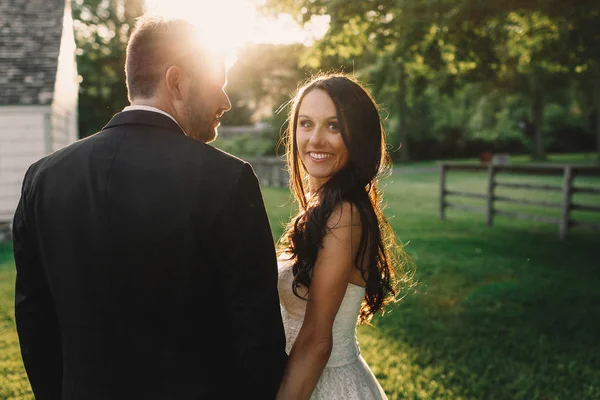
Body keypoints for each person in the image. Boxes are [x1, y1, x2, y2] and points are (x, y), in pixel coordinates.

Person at [13, 16, 286, 400]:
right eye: (217, 86)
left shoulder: (42, 179)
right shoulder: (227, 180)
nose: (225, 102)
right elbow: (256, 335)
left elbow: (34, 322)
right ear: (176, 81)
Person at [275, 74, 412, 399]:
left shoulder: (344, 215)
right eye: (306, 124)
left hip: (324, 387)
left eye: (333, 126)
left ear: (358, 136)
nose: (315, 139)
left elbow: (318, 341)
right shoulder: (324, 206)